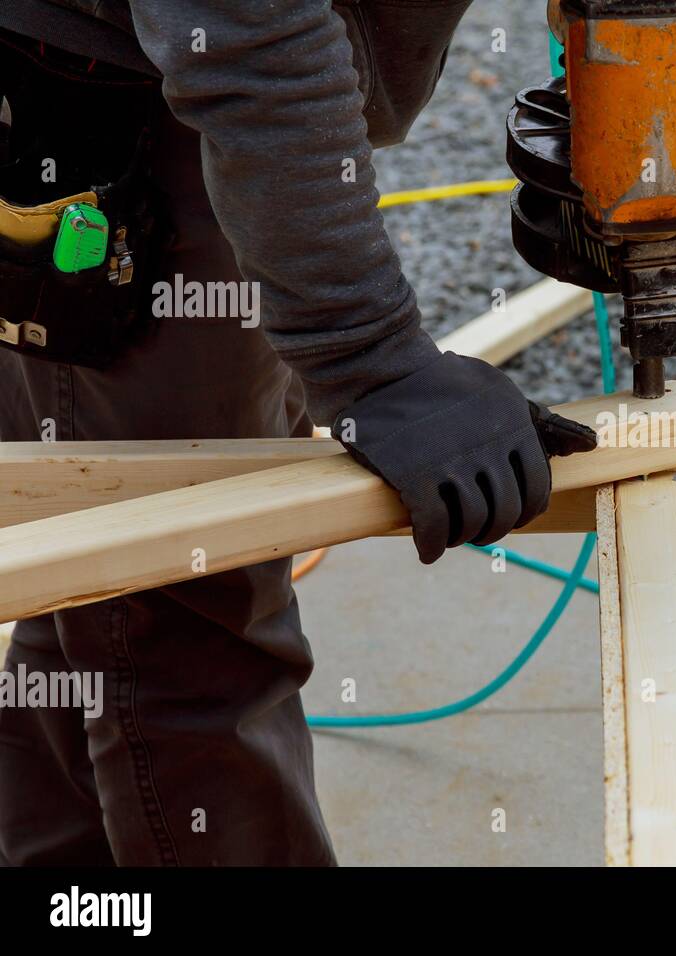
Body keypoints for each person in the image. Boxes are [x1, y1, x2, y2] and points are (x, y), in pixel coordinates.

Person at [0, 1, 595, 865]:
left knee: (92, 585)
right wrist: (373, 361)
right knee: (183, 613)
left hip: (187, 98)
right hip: (120, 105)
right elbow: (247, 44)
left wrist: (618, 97)